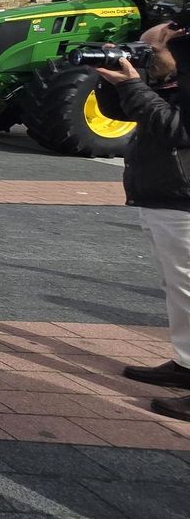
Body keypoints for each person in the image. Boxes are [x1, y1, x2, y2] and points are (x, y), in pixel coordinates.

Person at [95, 23, 190, 422]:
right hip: (164, 196)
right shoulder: (171, 82)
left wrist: (135, 85)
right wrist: (114, 79)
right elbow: (119, 111)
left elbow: (177, 130)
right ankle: (186, 364)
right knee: (178, 289)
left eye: (150, 51)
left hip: (183, 201)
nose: (145, 58)